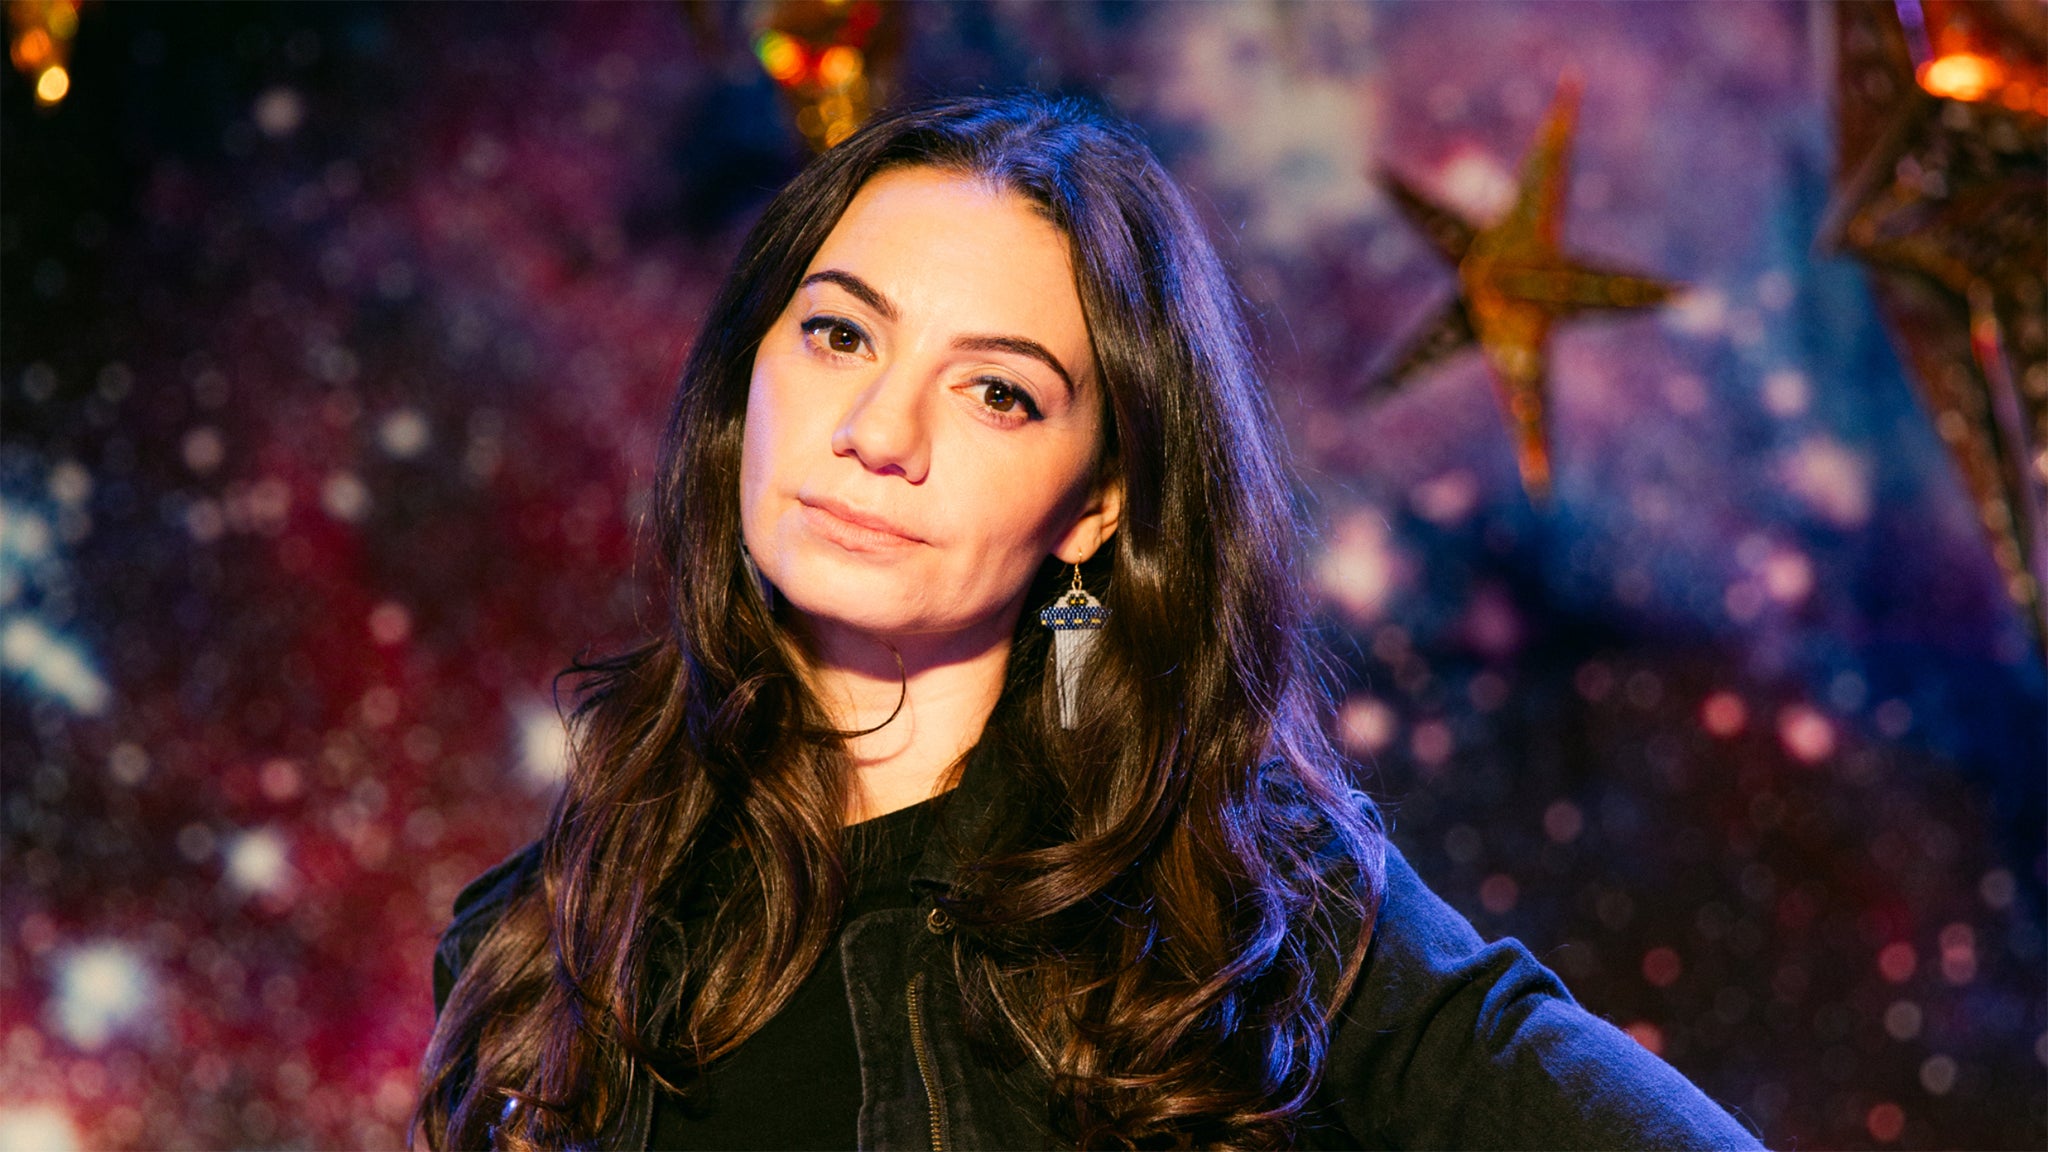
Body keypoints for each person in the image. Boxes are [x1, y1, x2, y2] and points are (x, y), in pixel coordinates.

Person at [413, 92, 1764, 1151]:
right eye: (838, 335)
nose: (878, 431)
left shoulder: (1253, 915)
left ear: (1097, 506)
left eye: (997, 393)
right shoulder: (543, 944)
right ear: (747, 375)